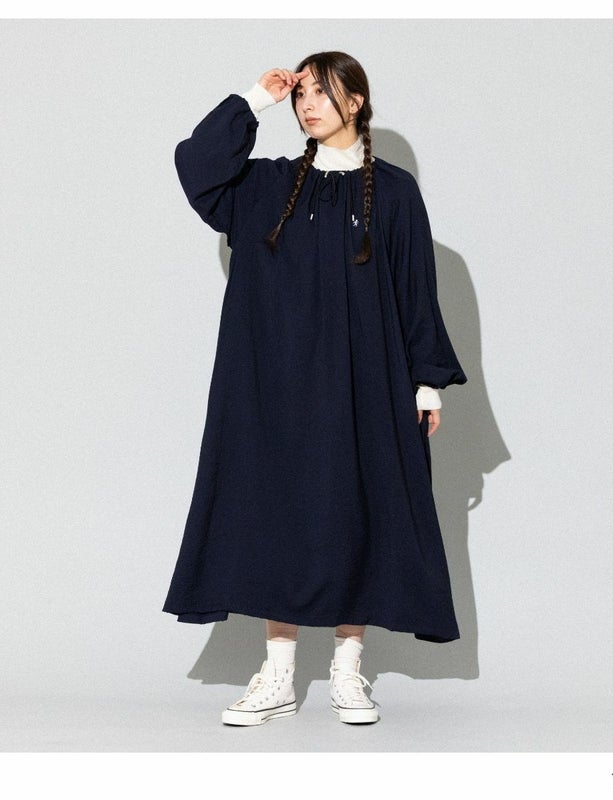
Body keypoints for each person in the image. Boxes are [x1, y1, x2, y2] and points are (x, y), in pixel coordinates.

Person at [162, 51, 468, 726]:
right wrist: (254, 98)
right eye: (303, 94)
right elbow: (197, 165)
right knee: (280, 515)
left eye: (324, 93)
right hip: (272, 384)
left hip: (367, 382)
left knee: (359, 512)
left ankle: (348, 672)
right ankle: (277, 676)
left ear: (356, 101)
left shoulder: (393, 192)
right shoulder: (264, 186)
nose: (308, 105)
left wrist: (428, 383)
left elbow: (415, 286)